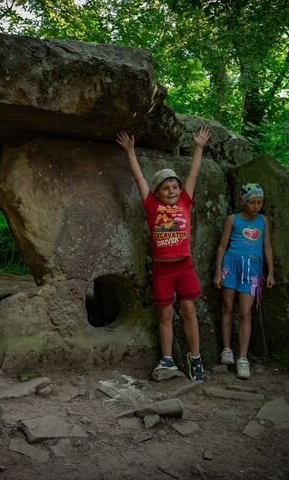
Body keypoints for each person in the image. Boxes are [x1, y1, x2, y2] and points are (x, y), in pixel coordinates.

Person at [116, 127, 212, 381]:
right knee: (165, 314)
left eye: (175, 187)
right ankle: (167, 359)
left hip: (184, 267)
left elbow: (193, 174)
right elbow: (139, 179)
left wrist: (199, 147)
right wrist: (130, 152)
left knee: (189, 311)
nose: (172, 191)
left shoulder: (185, 203)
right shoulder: (151, 205)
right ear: (157, 192)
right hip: (163, 270)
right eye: (166, 187)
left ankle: (195, 357)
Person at [213, 183, 275, 379]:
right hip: (231, 266)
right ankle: (226, 349)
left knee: (246, 313)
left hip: (252, 269)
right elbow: (222, 247)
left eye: (259, 202)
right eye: (252, 202)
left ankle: (243, 359)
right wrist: (217, 273)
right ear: (243, 201)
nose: (256, 205)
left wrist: (271, 272)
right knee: (227, 307)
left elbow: (267, 247)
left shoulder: (263, 221)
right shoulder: (233, 220)